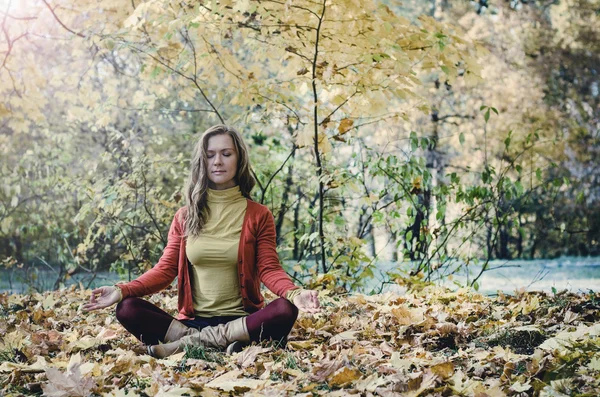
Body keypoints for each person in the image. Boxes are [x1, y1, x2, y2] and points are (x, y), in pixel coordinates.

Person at [82, 125, 320, 358]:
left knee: (284, 309)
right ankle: (224, 344)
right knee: (127, 308)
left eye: (226, 154)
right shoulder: (185, 216)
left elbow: (269, 268)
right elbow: (165, 270)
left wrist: (293, 293)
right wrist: (121, 290)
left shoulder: (258, 215)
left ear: (239, 160)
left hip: (243, 321)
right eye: (210, 155)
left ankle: (184, 345)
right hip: (193, 323)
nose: (218, 161)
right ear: (202, 162)